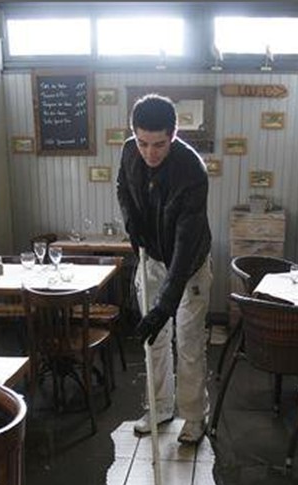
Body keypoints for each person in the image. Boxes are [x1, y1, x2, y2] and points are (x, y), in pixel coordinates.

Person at [117, 93, 212, 445]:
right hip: (151, 256)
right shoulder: (129, 152)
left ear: (174, 134)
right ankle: (159, 408)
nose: (149, 153)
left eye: (159, 144)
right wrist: (132, 224)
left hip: (190, 264)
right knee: (154, 342)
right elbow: (123, 188)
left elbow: (185, 248)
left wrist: (163, 307)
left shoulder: (192, 171)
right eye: (142, 142)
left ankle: (192, 416)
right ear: (134, 135)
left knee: (187, 341)